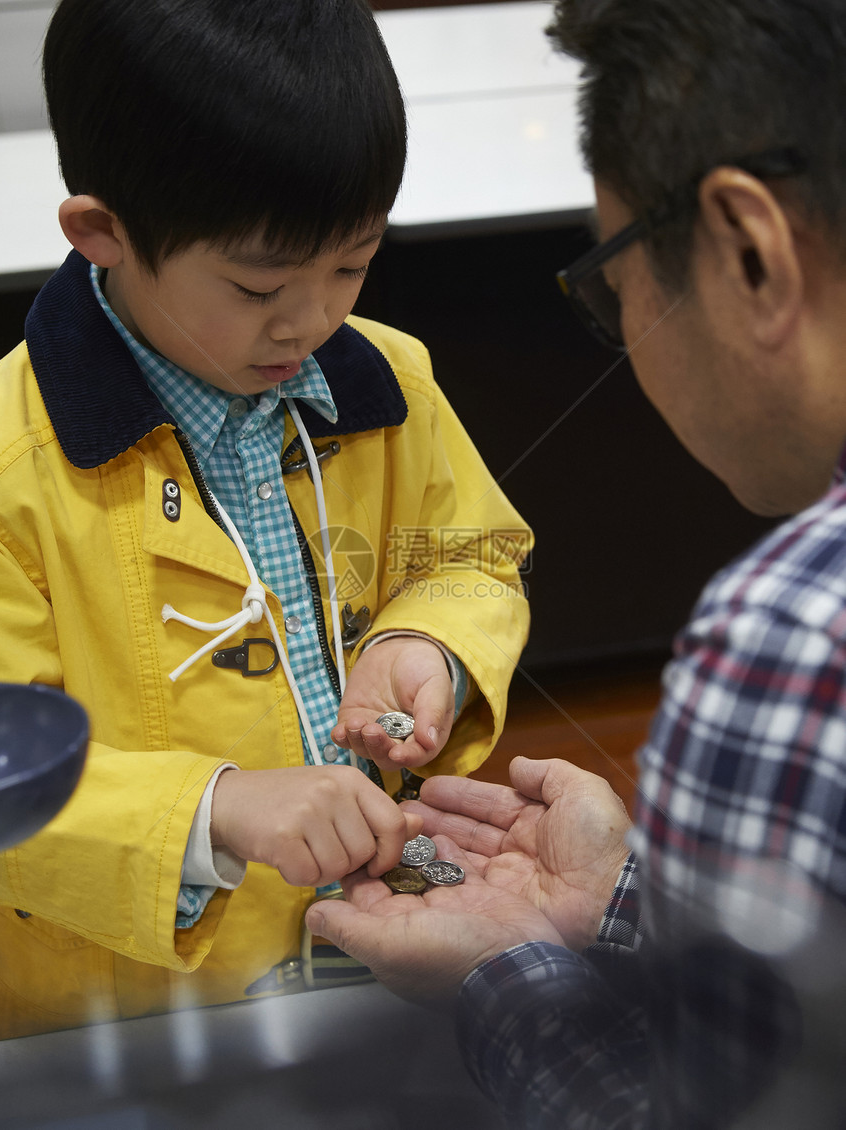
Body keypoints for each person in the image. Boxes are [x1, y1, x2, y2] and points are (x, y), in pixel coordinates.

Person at [306, 0, 846, 1125]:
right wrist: (635, 898)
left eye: (613, 276)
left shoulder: (785, 639)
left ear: (744, 247)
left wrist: (503, 973)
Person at [0, 0, 532, 1041]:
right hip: (136, 1026)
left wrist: (431, 640)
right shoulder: (2, 474)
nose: (313, 320)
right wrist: (214, 808)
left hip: (386, 961)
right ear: (102, 233)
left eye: (352, 262)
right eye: (259, 284)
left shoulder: (391, 380)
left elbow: (474, 553)